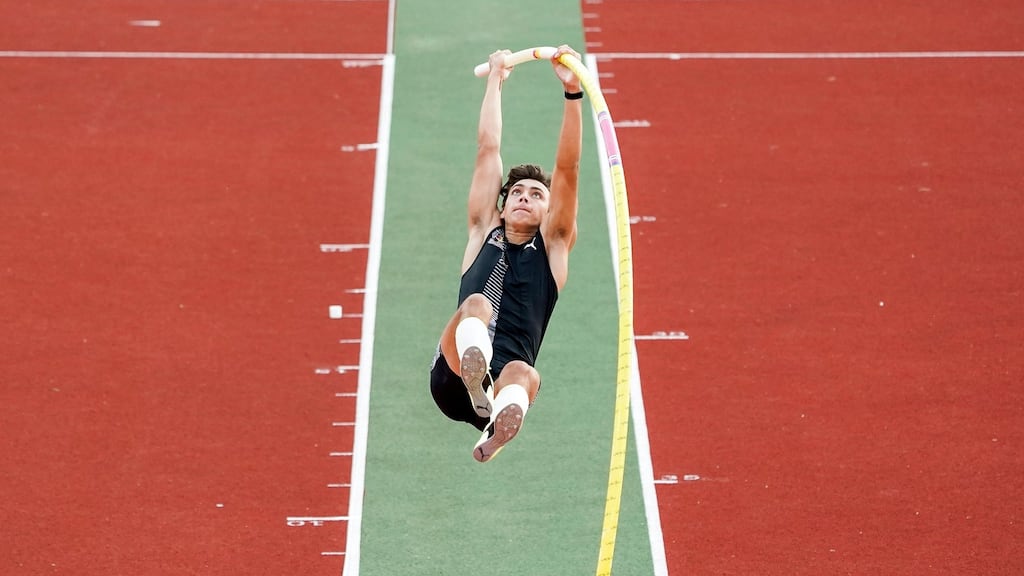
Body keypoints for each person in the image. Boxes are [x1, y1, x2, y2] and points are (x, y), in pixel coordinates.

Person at [429, 45, 583, 462]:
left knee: (525, 373)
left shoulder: (553, 249)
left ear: (549, 211)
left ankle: (497, 428)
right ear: (503, 201)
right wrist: (496, 78)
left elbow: (567, 170)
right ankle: (479, 387)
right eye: (516, 191)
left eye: (536, 194)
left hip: (503, 383)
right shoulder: (484, 230)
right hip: (453, 374)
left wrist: (573, 94)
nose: (523, 197)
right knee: (475, 303)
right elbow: (488, 149)